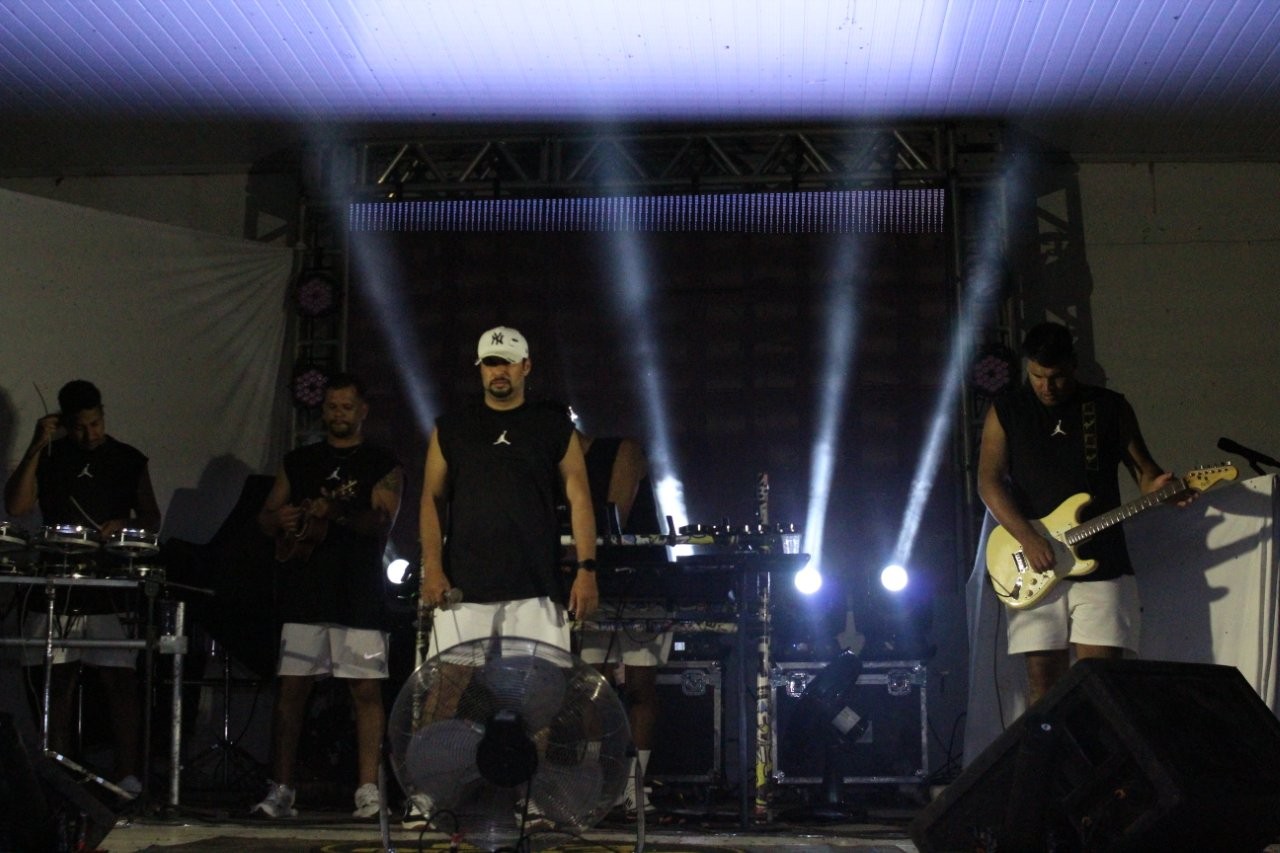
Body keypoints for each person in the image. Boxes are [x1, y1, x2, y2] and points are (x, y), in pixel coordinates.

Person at [976, 322, 1181, 705]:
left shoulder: (1109, 407)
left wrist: (1160, 488)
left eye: (1056, 377)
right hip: (1034, 563)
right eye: (1037, 376)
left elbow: (1145, 473)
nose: (1046, 387)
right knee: (1043, 686)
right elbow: (988, 482)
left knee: (1102, 684)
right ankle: (1048, 747)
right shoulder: (1007, 410)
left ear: (1073, 365)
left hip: (1103, 562)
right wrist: (1028, 538)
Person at [251, 372, 403, 820]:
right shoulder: (299, 461)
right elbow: (265, 517)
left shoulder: (382, 462)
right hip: (305, 591)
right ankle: (281, 789)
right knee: (292, 691)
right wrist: (282, 519)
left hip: (359, 592)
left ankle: (368, 790)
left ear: (362, 411)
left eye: (346, 407)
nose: (338, 414)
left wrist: (335, 511)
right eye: (332, 407)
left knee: (366, 691)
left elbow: (382, 522)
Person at [3, 379, 160, 795]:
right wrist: (36, 446)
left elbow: (152, 519)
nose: (90, 434)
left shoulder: (127, 458)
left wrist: (125, 524)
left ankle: (128, 777)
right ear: (64, 424)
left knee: (120, 679)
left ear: (102, 415)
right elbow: (17, 506)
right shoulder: (51, 455)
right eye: (79, 427)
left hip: (106, 584)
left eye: (96, 423)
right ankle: (61, 777)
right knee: (57, 682)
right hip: (57, 580)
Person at [418, 325, 599, 654]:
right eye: (491, 363)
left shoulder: (553, 426)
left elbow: (580, 498)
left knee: (538, 683)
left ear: (526, 366)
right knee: (449, 682)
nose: (499, 371)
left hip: (537, 586)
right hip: (464, 584)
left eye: (508, 362)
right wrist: (432, 567)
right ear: (480, 368)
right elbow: (432, 498)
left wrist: (587, 570)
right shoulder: (452, 427)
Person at [573, 430, 669, 816]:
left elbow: (614, 516)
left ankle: (634, 785)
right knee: (589, 689)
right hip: (594, 586)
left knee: (640, 685)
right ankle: (593, 783)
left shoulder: (621, 450)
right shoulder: (557, 467)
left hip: (641, 583)